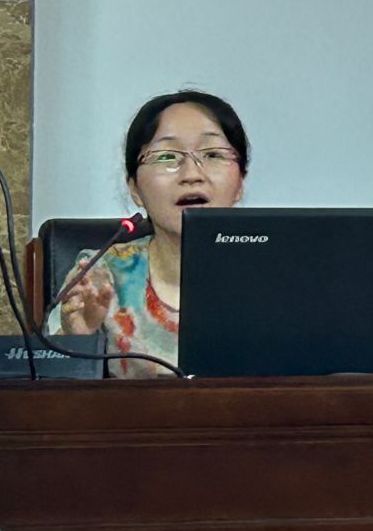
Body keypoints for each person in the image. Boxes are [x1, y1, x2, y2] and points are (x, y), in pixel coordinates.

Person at [46, 90, 250, 373]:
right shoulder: (100, 275)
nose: (192, 174)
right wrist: (77, 340)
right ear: (135, 189)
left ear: (240, 183)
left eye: (212, 154)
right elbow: (42, 386)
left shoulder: (282, 274)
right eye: (166, 156)